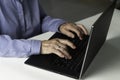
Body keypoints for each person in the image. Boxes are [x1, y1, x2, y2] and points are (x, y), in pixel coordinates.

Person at [0, 0, 88, 59]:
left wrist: (60, 25)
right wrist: (39, 46)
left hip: (35, 55)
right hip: (8, 62)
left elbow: (40, 20)